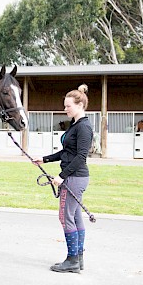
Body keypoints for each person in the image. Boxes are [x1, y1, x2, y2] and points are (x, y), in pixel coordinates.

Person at [32, 84, 93, 273]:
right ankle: (78, 258)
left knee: (65, 217)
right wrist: (45, 159)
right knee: (74, 216)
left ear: (80, 105)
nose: (65, 109)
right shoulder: (76, 125)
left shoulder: (84, 127)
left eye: (68, 106)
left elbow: (81, 157)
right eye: (65, 106)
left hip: (74, 178)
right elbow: (67, 152)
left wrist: (61, 176)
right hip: (74, 177)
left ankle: (72, 260)